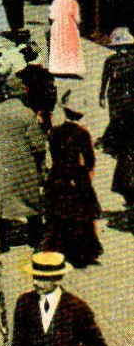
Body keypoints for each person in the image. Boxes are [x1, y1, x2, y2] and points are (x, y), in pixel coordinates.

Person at [0, 74, 48, 252]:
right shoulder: (26, 114)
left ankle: (0, 243)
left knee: (0, 202)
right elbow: (37, 144)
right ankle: (36, 239)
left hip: (0, 163)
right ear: (22, 93)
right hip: (23, 164)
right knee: (30, 201)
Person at [43, 100, 102, 268]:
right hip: (77, 177)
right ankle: (80, 254)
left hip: (58, 176)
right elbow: (90, 161)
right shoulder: (83, 133)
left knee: (58, 217)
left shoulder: (55, 132)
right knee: (81, 217)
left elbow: (52, 157)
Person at [98, 26, 134, 212]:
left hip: (128, 95)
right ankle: (117, 141)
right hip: (115, 94)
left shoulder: (132, 61)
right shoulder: (110, 61)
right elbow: (105, 80)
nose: (123, 50)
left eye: (125, 47)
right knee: (115, 119)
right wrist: (102, 96)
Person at [48, 0, 83, 79]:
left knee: (58, 48)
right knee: (70, 49)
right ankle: (69, 69)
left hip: (57, 27)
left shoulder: (55, 2)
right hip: (70, 27)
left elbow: (51, 16)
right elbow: (77, 19)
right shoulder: (73, 2)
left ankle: (58, 69)